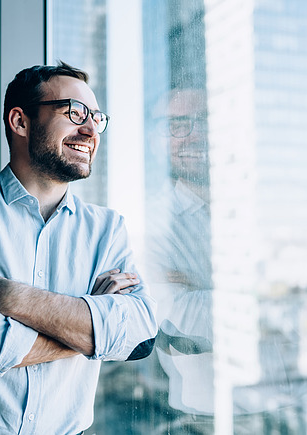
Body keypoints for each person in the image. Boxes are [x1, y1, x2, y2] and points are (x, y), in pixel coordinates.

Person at [0, 62, 157, 434]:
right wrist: (89, 323)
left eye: (96, 117)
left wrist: (7, 296)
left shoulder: (108, 229)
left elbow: (139, 335)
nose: (91, 129)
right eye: (74, 112)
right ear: (20, 122)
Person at [144, 87, 214, 434]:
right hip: (207, 417)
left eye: (206, 120)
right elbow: (178, 318)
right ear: (153, 139)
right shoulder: (151, 223)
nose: (196, 134)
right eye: (178, 125)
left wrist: (202, 290)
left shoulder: (265, 207)